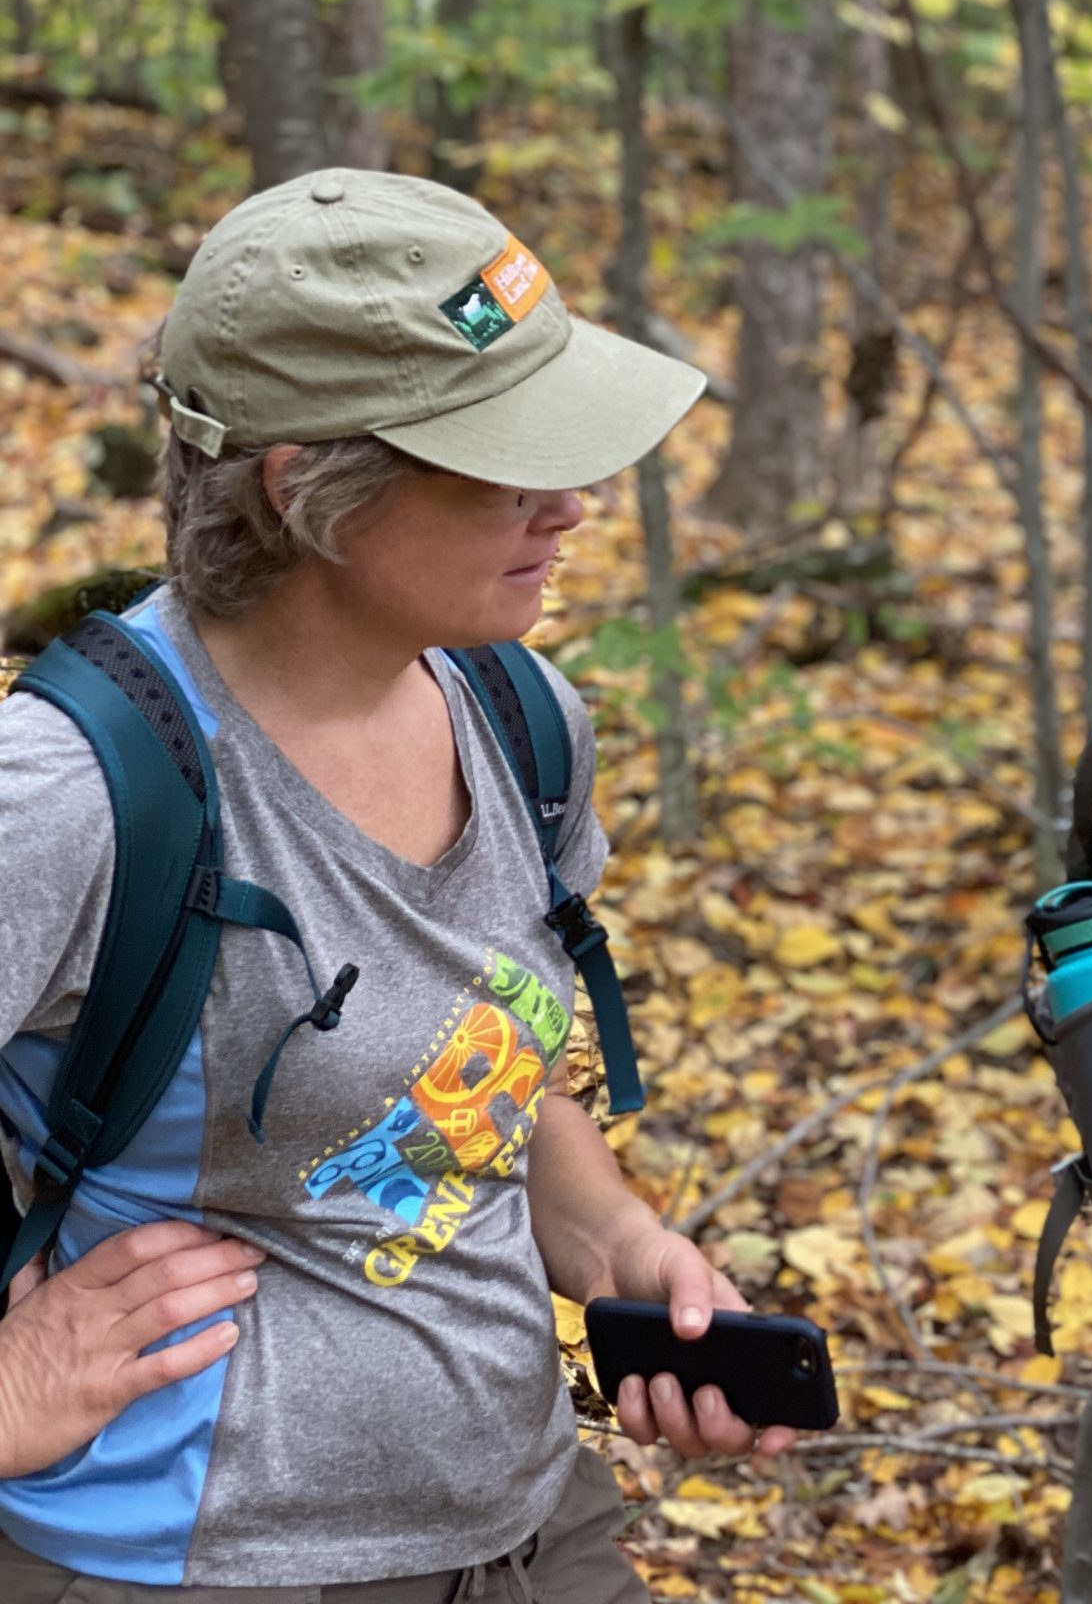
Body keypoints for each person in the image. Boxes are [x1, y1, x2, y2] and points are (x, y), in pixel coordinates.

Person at [0, 170, 790, 1600]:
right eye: (507, 464)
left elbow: (486, 1058)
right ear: (310, 493)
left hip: (536, 1518)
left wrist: (616, 1241)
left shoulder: (523, 714)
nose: (574, 503)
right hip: (191, 1559)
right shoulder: (75, 793)